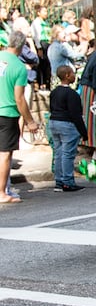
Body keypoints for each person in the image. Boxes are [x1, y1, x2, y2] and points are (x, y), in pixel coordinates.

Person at [0, 31, 40, 204]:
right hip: (7, 113)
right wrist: (30, 120)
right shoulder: (18, 67)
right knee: (5, 155)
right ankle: (1, 192)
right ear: (22, 46)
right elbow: (19, 98)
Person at [49, 64, 87, 192]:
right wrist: (83, 131)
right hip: (67, 124)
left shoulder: (54, 92)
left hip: (54, 122)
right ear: (66, 76)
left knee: (58, 152)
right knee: (68, 153)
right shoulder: (72, 94)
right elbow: (76, 114)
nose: (74, 76)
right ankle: (67, 181)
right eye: (72, 73)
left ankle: (59, 180)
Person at [30, 4, 51, 89]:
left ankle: (47, 81)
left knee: (47, 64)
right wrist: (39, 47)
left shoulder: (45, 22)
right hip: (41, 44)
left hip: (47, 43)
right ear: (38, 13)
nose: (46, 13)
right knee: (42, 64)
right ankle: (41, 82)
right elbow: (36, 36)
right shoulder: (36, 23)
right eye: (44, 11)